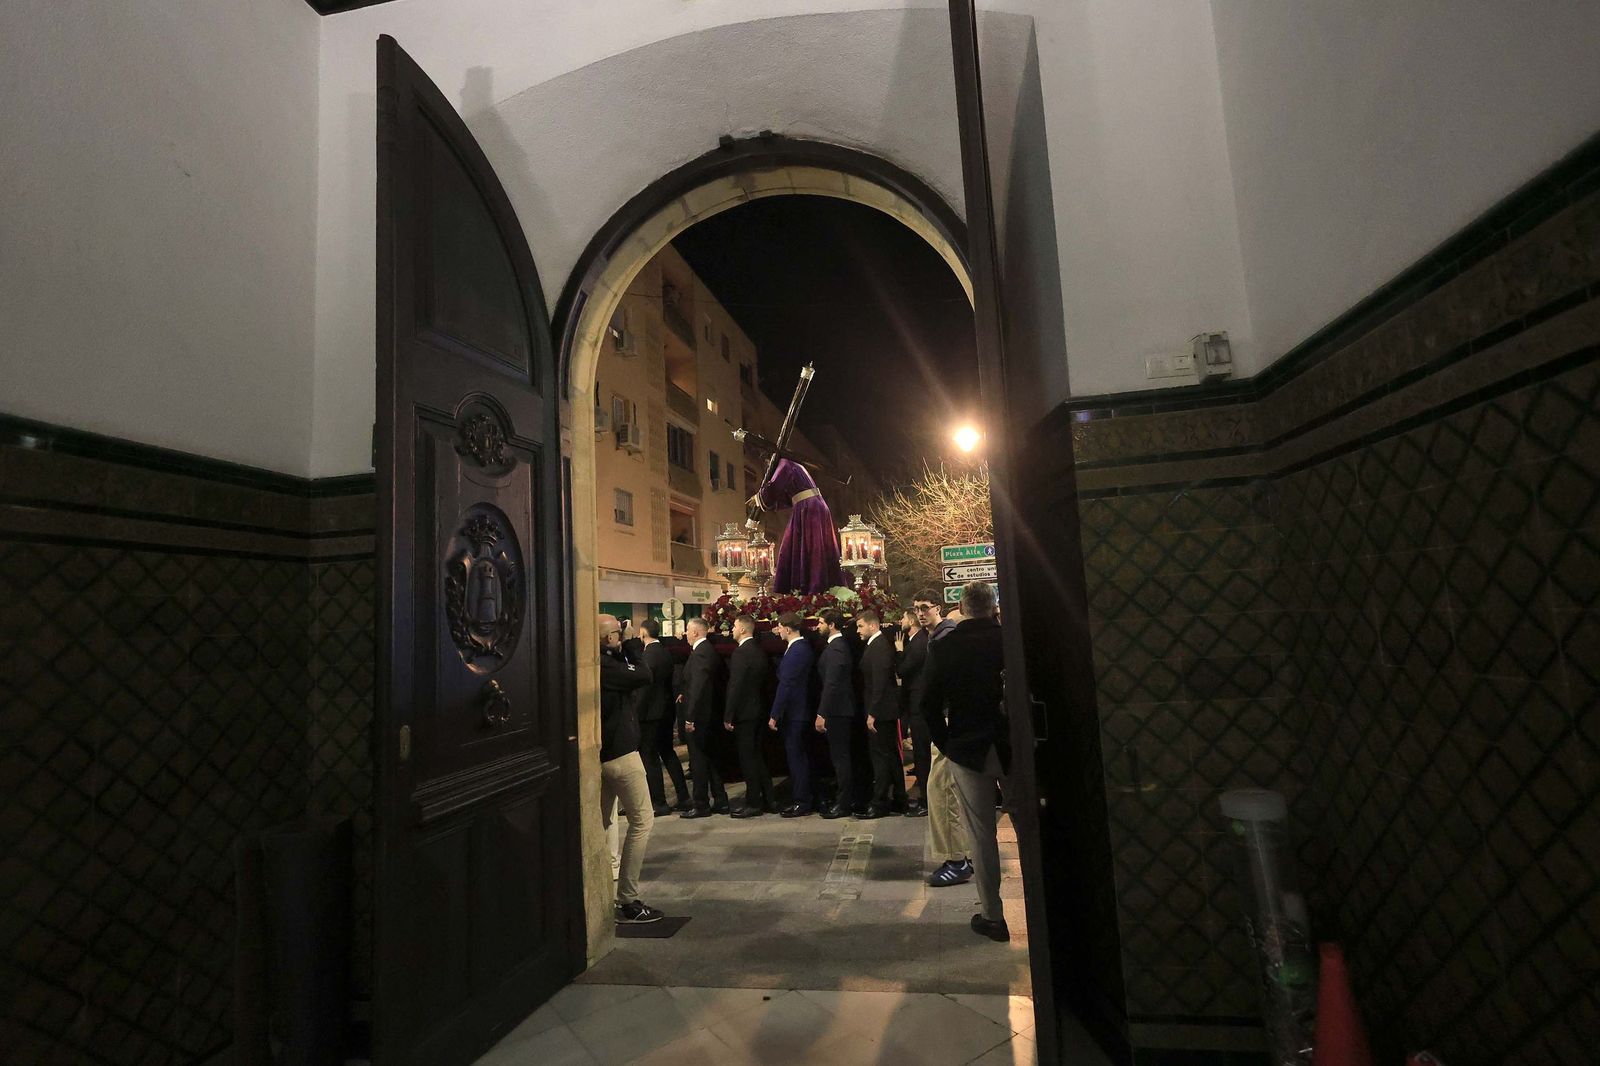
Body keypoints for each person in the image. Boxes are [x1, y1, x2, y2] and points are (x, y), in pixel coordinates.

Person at [923, 582, 1011, 942]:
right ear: (992, 607)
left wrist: (946, 744)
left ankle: (993, 916)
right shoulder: (1010, 640)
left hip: (967, 747)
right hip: (1012, 744)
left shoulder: (947, 647)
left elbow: (927, 703)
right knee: (1029, 826)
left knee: (981, 834)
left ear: (962, 607)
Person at [597, 614, 664, 924]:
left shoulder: (602, 662)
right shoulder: (607, 667)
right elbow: (643, 675)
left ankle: (601, 893)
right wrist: (633, 646)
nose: (619, 637)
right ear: (608, 637)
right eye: (615, 633)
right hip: (621, 756)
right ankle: (628, 899)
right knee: (642, 821)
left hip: (603, 755)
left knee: (603, 824)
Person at [917, 590, 972, 888]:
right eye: (916, 609)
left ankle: (957, 859)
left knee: (941, 790)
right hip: (954, 723)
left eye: (925, 607)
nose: (921, 613)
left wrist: (941, 735)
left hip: (950, 724)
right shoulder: (940, 637)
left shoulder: (944, 639)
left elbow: (933, 694)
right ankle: (964, 853)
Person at [747, 457, 847, 594]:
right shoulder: (795, 468)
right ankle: (806, 586)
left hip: (808, 508)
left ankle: (812, 588)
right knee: (799, 547)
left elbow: (774, 486)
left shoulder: (785, 464)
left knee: (810, 547)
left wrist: (758, 498)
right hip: (809, 506)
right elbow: (785, 497)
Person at [634, 618, 688, 815]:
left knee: (649, 757)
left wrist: (636, 713)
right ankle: (683, 796)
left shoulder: (649, 655)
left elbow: (644, 689)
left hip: (650, 714)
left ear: (643, 633)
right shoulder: (664, 652)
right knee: (668, 752)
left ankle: (659, 801)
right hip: (666, 711)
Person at [677, 617, 730, 818]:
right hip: (709, 716)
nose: (685, 635)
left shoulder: (700, 654)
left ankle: (700, 804)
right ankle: (721, 800)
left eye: (688, 631)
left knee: (698, 761)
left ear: (696, 632)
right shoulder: (706, 651)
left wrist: (689, 717)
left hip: (700, 718)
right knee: (710, 759)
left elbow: (698, 688)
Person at [725, 615, 777, 817]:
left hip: (745, 713)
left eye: (735, 626)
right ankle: (769, 799)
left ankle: (754, 802)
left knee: (748, 759)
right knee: (758, 756)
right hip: (759, 710)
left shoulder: (741, 653)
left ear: (744, 630)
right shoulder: (758, 651)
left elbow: (735, 686)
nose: (732, 630)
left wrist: (729, 714)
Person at [813, 608, 861, 819]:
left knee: (841, 759)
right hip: (839, 709)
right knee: (840, 757)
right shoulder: (837, 646)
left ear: (831, 625)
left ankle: (844, 803)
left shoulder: (836, 648)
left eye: (821, 623)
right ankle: (844, 799)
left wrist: (822, 713)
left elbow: (832, 684)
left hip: (837, 710)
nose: (818, 626)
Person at [768, 611, 816, 816]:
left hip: (796, 712)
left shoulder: (797, 651)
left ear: (787, 628)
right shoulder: (798, 648)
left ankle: (802, 800)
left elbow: (786, 685)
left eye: (779, 627)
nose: (777, 631)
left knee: (797, 758)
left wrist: (774, 713)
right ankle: (803, 797)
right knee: (798, 756)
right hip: (799, 711)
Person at [857, 610, 904, 818]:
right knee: (890, 756)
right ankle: (899, 799)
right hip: (883, 710)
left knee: (881, 758)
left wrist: (872, 712)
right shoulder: (876, 645)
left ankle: (879, 802)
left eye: (860, 626)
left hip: (881, 711)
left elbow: (880, 682)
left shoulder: (878, 647)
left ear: (873, 626)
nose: (858, 630)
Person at [896, 605, 930, 817]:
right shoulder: (917, 640)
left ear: (912, 621)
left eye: (903, 619)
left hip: (918, 704)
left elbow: (903, 669)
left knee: (922, 752)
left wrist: (899, 652)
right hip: (915, 703)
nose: (900, 622)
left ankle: (926, 799)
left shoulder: (918, 643)